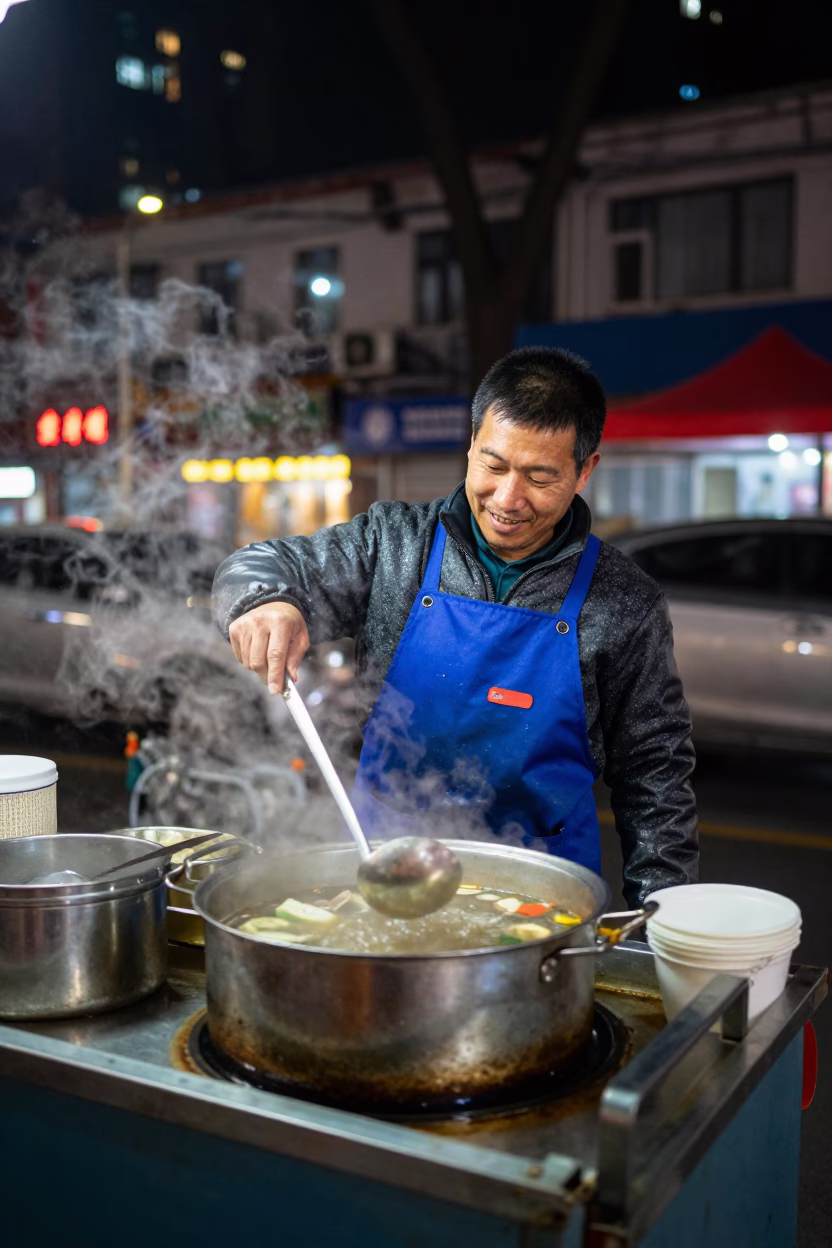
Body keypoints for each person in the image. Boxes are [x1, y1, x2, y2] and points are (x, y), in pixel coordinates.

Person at [212, 348, 698, 907]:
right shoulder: (394, 544)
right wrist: (264, 600)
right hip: (383, 874)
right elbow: (260, 565)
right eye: (493, 466)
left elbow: (656, 775)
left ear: (584, 469)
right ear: (471, 444)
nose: (508, 500)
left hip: (544, 897)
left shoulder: (623, 601)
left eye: (540, 476)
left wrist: (661, 925)